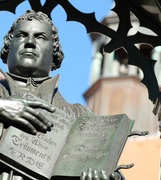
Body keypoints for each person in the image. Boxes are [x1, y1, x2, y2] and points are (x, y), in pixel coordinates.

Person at [0, 10, 121, 180]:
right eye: (21, 35)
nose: (29, 42)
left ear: (54, 51)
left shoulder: (79, 117)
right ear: (8, 45)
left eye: (40, 37)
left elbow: (111, 169)